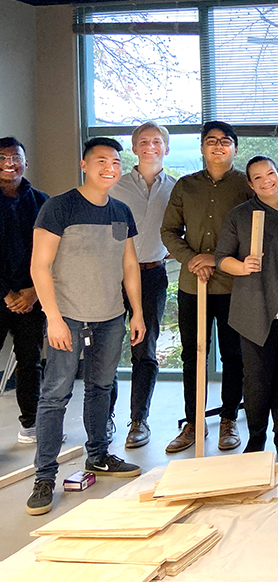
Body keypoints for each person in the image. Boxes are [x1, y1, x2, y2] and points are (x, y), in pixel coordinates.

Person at [27, 137, 146, 516]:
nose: (109, 167)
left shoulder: (121, 210)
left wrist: (137, 312)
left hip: (110, 316)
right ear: (83, 164)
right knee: (55, 395)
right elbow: (39, 267)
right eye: (100, 160)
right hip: (68, 317)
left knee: (101, 388)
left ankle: (98, 456)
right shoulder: (58, 207)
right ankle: (44, 476)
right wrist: (54, 317)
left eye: (115, 161)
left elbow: (129, 266)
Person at [161, 121, 251, 454]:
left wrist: (217, 258)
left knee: (233, 355)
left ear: (234, 149)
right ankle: (193, 422)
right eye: (210, 141)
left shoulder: (246, 186)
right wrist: (193, 258)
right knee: (192, 357)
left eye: (225, 142)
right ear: (201, 148)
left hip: (233, 287)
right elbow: (169, 231)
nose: (217, 147)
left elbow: (255, 233)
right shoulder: (186, 186)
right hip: (192, 285)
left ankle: (228, 419)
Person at [216, 156, 278, 460]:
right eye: (258, 178)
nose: (266, 180)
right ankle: (256, 437)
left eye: (270, 173)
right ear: (250, 184)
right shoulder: (240, 216)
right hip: (255, 308)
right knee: (256, 377)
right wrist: (242, 267)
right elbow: (221, 258)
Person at [107, 121, 176, 449]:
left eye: (157, 141)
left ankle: (139, 420)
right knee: (106, 349)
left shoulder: (177, 188)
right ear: (134, 148)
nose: (151, 146)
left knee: (144, 350)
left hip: (152, 275)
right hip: (112, 275)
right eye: (144, 142)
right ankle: (105, 417)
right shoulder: (115, 187)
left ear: (166, 147)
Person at [0, 137, 48, 445]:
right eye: (3, 158)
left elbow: (52, 252)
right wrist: (7, 294)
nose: (10, 163)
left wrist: (32, 292)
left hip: (33, 296)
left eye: (16, 157)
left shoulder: (42, 201)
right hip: (1, 294)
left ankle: (31, 423)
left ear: (25, 162)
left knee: (29, 360)